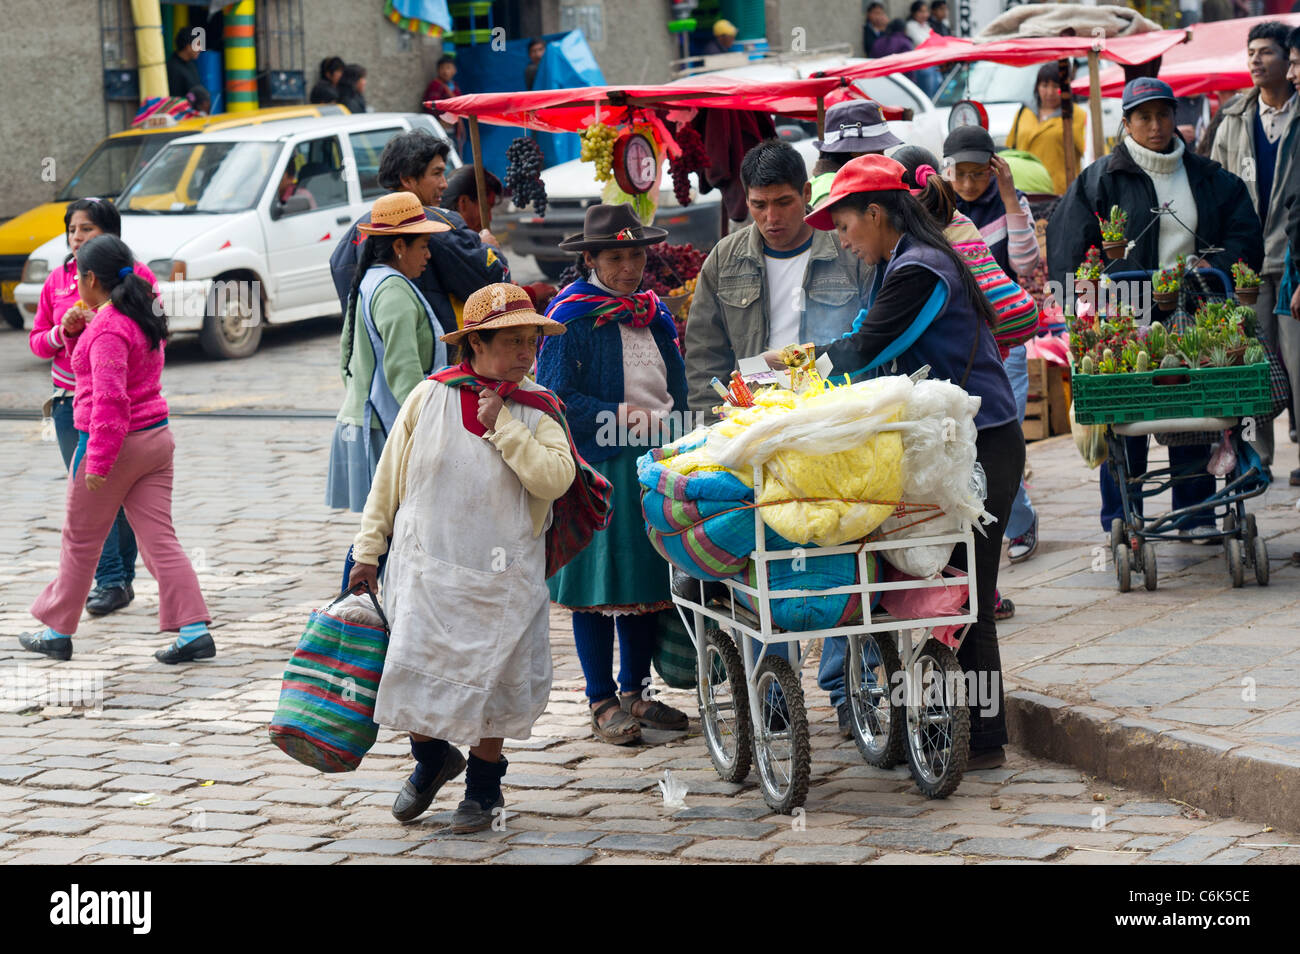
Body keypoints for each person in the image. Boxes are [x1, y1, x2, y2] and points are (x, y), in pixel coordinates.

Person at [783, 154, 1023, 770]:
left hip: (982, 441)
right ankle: (960, 728)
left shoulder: (922, 268)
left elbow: (867, 347)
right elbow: (862, 332)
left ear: (875, 212)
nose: (842, 239)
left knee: (970, 588)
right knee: (950, 587)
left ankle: (984, 738)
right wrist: (805, 361)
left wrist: (798, 379)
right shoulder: (899, 262)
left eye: (843, 226)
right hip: (948, 443)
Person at [346, 283, 599, 832]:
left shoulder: (537, 409)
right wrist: (367, 550)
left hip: (503, 580)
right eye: (512, 341)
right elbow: (388, 479)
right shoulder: (428, 397)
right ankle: (432, 758)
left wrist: (503, 426)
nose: (526, 353)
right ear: (476, 345)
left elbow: (554, 479)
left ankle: (483, 791)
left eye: (531, 342)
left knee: (495, 682)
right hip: (425, 571)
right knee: (413, 671)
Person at [686, 139, 874, 735]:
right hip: (754, 434)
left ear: (806, 196)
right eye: (760, 204)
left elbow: (871, 334)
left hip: (833, 426)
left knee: (845, 549)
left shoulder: (845, 249)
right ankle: (772, 691)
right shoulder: (724, 260)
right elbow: (704, 357)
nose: (771, 217)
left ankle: (850, 693)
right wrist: (709, 433)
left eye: (784, 203)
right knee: (761, 561)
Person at [1048, 77, 1264, 542]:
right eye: (1143, 116)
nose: (1155, 125)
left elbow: (1245, 238)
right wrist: (1085, 307)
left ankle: (1197, 515)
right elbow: (1069, 248)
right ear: (1125, 122)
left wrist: (1213, 264)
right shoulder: (1099, 180)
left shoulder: (1209, 178)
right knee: (1126, 423)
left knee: (1194, 415)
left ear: (1175, 118)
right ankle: (1123, 519)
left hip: (1195, 312)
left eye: (1163, 114)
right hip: (1124, 319)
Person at [537, 204, 691, 745]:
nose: (629, 267)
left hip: (651, 460)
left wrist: (678, 432)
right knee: (598, 582)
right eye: (616, 257)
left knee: (645, 579)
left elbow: (679, 384)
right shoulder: (572, 318)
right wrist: (622, 418)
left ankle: (636, 691)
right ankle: (600, 698)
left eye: (636, 255)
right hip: (598, 466)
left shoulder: (655, 314)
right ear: (592, 260)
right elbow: (556, 395)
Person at [22, 235, 213, 665]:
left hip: (114, 444)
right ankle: (194, 629)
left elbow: (109, 399)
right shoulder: (138, 315)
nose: (74, 282)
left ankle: (56, 630)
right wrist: (75, 333)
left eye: (77, 275)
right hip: (156, 440)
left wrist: (98, 463)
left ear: (91, 279)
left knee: (80, 541)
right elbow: (115, 375)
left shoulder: (109, 328)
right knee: (160, 539)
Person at [29, 198, 156, 617]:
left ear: (111, 235)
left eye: (87, 230)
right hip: (70, 402)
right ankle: (110, 580)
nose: (77, 238)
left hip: (124, 406)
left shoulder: (138, 277)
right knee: (89, 490)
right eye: (73, 230)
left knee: (114, 492)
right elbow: (37, 342)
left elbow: (154, 335)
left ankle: (118, 580)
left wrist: (105, 326)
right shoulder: (59, 280)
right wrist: (61, 332)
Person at [944, 124, 1042, 570]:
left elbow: (1025, 264)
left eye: (977, 173)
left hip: (1006, 343)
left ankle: (1016, 522)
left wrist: (1007, 197)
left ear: (994, 168)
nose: (968, 184)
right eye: (959, 174)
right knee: (973, 444)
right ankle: (1003, 523)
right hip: (962, 345)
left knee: (1006, 438)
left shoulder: (1010, 203)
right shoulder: (939, 212)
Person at [327, 191, 450, 522]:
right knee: (385, 538)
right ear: (399, 246)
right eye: (422, 246)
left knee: (380, 535)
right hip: (385, 428)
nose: (427, 255)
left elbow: (346, 359)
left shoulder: (370, 281)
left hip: (366, 421)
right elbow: (404, 375)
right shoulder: (393, 292)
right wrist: (428, 428)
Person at [1211, 21, 1299, 478]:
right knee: (1250, 364)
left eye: (1266, 52)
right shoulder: (1234, 119)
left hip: (1293, 260)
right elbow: (1218, 186)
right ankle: (1256, 456)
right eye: (1251, 53)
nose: (1256, 61)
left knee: (1299, 363)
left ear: (1289, 60)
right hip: (1247, 264)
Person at [330, 129, 508, 338]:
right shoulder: (437, 223)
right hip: (430, 357)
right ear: (408, 179)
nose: (444, 183)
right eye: (436, 173)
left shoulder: (352, 236)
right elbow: (489, 286)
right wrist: (489, 249)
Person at [1006, 63, 1089, 195]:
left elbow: (1091, 154)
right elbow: (1012, 150)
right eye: (1045, 86)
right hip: (1023, 190)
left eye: (1056, 86)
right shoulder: (1023, 112)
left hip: (1060, 192)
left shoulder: (1076, 115)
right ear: (1037, 87)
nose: (1050, 92)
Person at [422, 55, 463, 147]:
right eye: (442, 68)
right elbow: (431, 106)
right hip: (441, 127)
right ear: (438, 70)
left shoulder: (454, 85)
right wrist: (442, 119)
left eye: (448, 68)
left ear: (454, 70)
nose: (445, 72)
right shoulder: (435, 85)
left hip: (453, 127)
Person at [166, 26, 202, 99]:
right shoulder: (173, 68)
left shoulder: (191, 64)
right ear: (188, 47)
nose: (200, 49)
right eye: (198, 44)